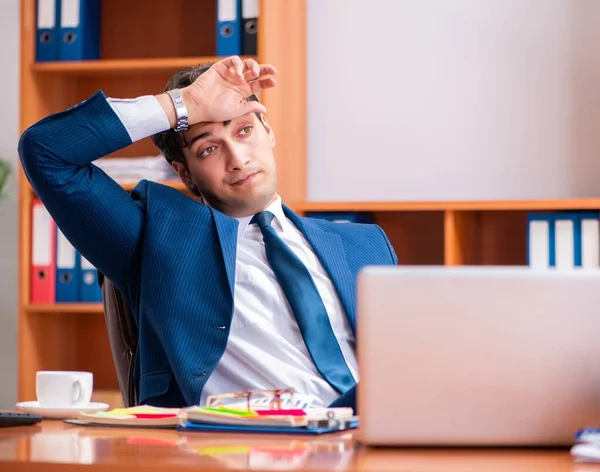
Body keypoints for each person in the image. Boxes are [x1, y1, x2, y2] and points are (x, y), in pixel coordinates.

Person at [18, 56, 397, 410]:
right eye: (209, 149)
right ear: (184, 173)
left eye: (245, 130)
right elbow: (47, 153)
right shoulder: (156, 238)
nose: (238, 159)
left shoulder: (363, 244)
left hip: (372, 431)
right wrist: (186, 104)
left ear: (269, 131)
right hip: (250, 446)